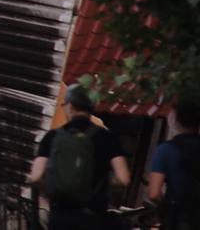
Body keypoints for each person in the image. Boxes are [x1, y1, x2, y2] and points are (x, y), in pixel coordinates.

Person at [27, 83, 131, 229]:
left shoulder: (52, 136)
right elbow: (123, 179)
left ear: (69, 106)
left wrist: (55, 185)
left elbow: (35, 177)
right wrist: (101, 184)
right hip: (92, 218)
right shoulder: (107, 137)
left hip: (60, 217)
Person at [147, 100, 200, 230]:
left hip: (178, 217)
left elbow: (154, 193)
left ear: (177, 119)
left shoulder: (166, 150)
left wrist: (163, 207)